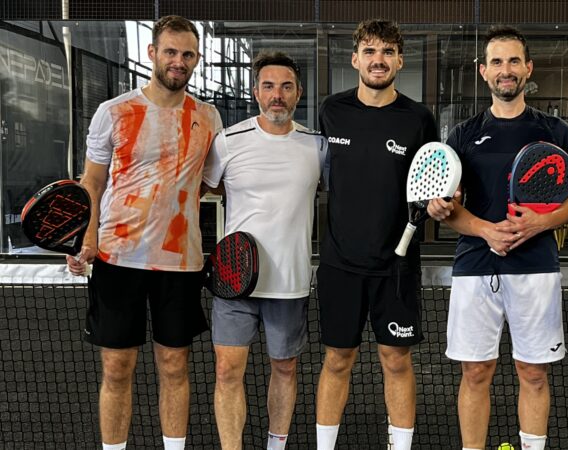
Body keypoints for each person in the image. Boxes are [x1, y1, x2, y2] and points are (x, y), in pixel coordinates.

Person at [65, 15, 221, 450]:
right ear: (152, 53)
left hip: (181, 263)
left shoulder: (208, 116)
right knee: (117, 368)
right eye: (170, 52)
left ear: (197, 60)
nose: (178, 61)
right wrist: (85, 238)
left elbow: (213, 182)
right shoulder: (113, 112)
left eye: (187, 54)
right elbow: (92, 182)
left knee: (174, 365)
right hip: (117, 258)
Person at [427, 25, 568, 450]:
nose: (505, 70)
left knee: (533, 372)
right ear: (484, 71)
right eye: (497, 62)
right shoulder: (462, 134)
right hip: (475, 266)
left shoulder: (555, 131)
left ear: (528, 68)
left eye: (513, 61)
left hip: (536, 267)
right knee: (476, 372)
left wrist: (538, 224)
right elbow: (452, 207)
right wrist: (484, 229)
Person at [314, 19, 437, 450]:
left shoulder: (419, 119)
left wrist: (443, 202)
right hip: (339, 264)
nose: (378, 60)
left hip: (397, 266)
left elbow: (433, 184)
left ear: (400, 61)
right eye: (370, 51)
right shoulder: (331, 110)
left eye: (387, 52)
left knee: (396, 360)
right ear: (355, 60)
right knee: (337, 359)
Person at [202, 51, 326, 450]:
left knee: (285, 368)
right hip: (233, 281)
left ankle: (276, 446)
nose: (277, 95)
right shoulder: (227, 141)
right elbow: (202, 189)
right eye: (269, 86)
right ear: (255, 92)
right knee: (226, 370)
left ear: (298, 93)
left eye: (286, 87)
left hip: (289, 282)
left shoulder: (317, 146)